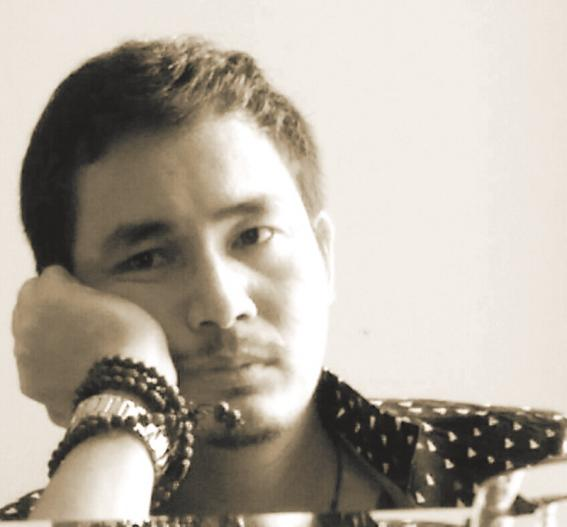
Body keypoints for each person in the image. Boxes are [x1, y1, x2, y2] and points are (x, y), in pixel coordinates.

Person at [1, 36, 565, 521]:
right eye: (148, 259)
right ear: (62, 308)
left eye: (253, 236)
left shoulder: (538, 471)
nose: (222, 305)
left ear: (324, 257)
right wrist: (122, 397)